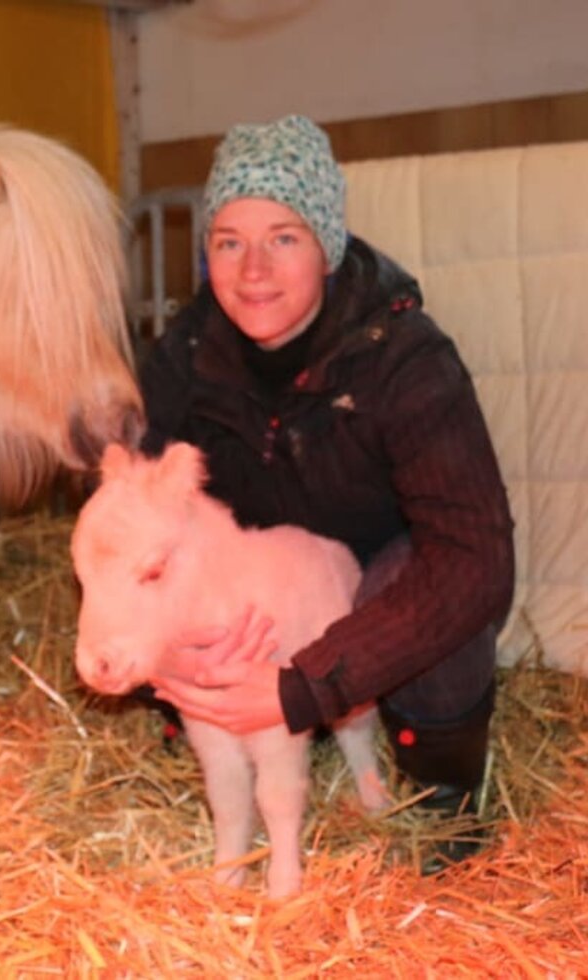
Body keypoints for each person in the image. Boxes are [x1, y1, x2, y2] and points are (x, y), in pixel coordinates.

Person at [136, 114, 515, 869]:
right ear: (206, 256)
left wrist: (309, 686)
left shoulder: (405, 361)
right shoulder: (182, 360)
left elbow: (476, 557)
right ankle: (211, 729)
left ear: (328, 247)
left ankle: (433, 792)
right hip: (252, 594)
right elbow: (133, 523)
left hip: (364, 589)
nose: (253, 271)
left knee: (426, 583)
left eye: (284, 237)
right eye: (228, 241)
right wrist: (175, 645)